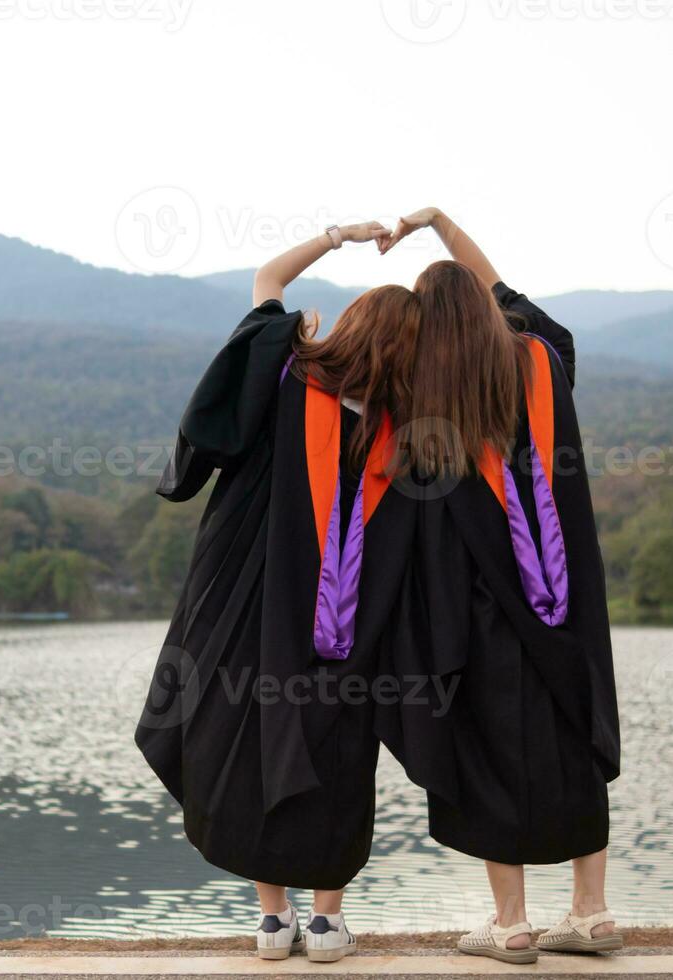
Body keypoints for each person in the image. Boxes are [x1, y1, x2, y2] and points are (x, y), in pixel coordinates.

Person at [136, 218, 430, 962]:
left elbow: (266, 282)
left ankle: (273, 920)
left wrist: (334, 238)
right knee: (341, 744)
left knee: (251, 740)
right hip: (352, 619)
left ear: (353, 329)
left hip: (252, 601)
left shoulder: (287, 374)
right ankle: (326, 922)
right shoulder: (407, 432)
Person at [375, 208, 622, 965]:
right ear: (488, 310)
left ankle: (511, 922)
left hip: (472, 604)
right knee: (571, 730)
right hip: (564, 592)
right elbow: (501, 287)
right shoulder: (543, 361)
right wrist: (442, 226)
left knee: (482, 743)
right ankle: (592, 911)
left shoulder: (420, 395)